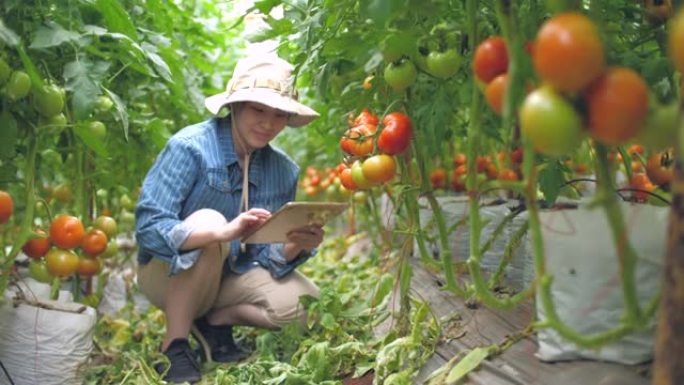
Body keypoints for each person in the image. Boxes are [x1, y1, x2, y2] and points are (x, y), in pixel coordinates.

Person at [134, 53, 324, 383]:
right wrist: (221, 235)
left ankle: (214, 322)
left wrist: (294, 246)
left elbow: (264, 257)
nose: (269, 123)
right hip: (165, 276)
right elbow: (149, 228)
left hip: (226, 279)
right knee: (209, 221)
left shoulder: (282, 171)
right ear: (234, 106)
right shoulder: (190, 147)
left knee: (308, 307)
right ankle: (174, 345)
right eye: (258, 109)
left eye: (280, 114)